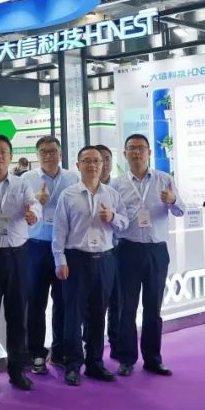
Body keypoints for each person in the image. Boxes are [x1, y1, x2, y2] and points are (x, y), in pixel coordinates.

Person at [110, 134, 183, 378]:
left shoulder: (165, 179)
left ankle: (153, 359)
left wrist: (173, 200)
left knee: (153, 307)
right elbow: (115, 220)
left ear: (149, 152)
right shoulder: (117, 185)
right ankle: (126, 359)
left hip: (156, 251)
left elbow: (181, 210)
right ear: (125, 154)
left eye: (141, 148)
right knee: (126, 308)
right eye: (132, 148)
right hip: (127, 250)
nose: (137, 153)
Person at [54, 146, 128, 385]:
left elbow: (125, 223)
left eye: (97, 161)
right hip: (76, 259)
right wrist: (60, 259)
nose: (93, 165)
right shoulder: (68, 195)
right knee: (73, 315)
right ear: (78, 165)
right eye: (87, 161)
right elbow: (59, 231)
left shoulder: (112, 195)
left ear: (103, 165)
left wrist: (113, 218)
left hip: (105, 259)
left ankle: (95, 362)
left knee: (98, 313)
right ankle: (73, 364)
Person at [0, 135, 39, 394]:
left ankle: (17, 369)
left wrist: (34, 213)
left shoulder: (22, 184)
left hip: (18, 256)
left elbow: (34, 204)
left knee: (17, 315)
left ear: (11, 157)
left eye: (3, 151)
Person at [21, 136, 79, 373]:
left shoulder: (72, 178)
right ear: (37, 155)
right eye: (43, 152)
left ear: (60, 154)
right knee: (35, 301)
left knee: (63, 301)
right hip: (35, 246)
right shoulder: (26, 179)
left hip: (64, 247)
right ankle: (36, 353)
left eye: (53, 151)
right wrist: (36, 200)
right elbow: (15, 210)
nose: (48, 155)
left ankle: (60, 350)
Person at [96, 143, 120, 355]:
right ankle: (91, 347)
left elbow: (126, 219)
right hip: (92, 254)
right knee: (93, 303)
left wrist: (113, 217)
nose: (103, 164)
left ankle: (116, 345)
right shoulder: (80, 188)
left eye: (107, 159)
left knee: (117, 300)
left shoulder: (121, 186)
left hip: (119, 251)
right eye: (99, 159)